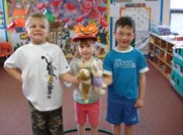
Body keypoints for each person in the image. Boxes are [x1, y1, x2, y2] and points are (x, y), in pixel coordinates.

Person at [4, 12, 79, 135]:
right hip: (35, 101)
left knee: (56, 131)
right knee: (39, 131)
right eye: (33, 26)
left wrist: (74, 79)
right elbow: (8, 65)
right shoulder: (23, 51)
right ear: (26, 31)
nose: (37, 29)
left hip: (54, 102)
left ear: (48, 31)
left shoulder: (55, 50)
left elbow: (63, 73)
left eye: (42, 26)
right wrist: (20, 77)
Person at [103, 16, 149, 135]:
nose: (124, 37)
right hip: (114, 99)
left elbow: (142, 77)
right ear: (115, 34)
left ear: (133, 36)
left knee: (129, 124)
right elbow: (108, 78)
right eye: (121, 33)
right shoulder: (109, 56)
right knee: (115, 123)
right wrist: (99, 83)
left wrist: (141, 98)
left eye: (128, 34)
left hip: (131, 99)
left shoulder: (138, 55)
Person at [69, 23, 104, 135]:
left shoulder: (97, 62)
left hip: (94, 100)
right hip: (79, 99)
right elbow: (68, 80)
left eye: (88, 46)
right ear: (78, 49)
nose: (85, 50)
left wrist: (95, 77)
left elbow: (100, 82)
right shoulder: (74, 63)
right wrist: (74, 79)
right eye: (82, 47)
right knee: (80, 123)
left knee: (94, 124)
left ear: (94, 47)